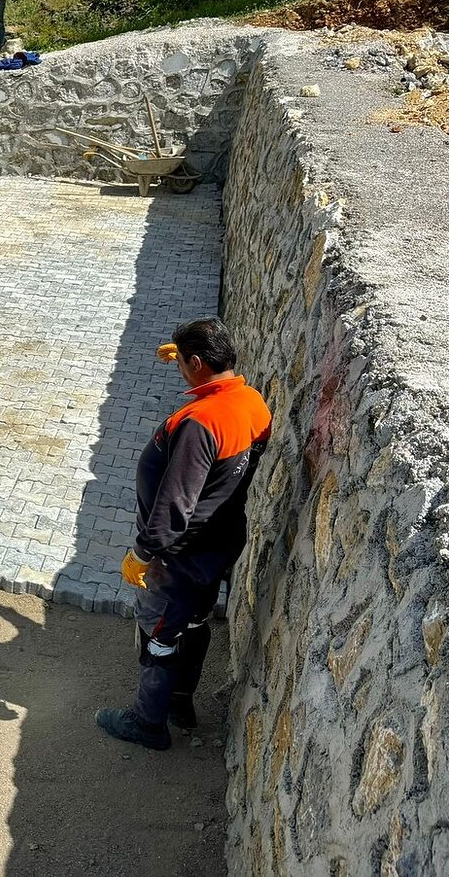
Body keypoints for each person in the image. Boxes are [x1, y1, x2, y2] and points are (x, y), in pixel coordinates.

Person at [96, 317, 272, 751]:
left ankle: (147, 722)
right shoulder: (251, 403)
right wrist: (187, 358)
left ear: (197, 363)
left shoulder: (201, 423)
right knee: (195, 620)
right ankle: (180, 701)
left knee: (161, 633)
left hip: (177, 554)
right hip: (216, 545)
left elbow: (176, 504)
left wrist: (143, 552)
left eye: (183, 363)